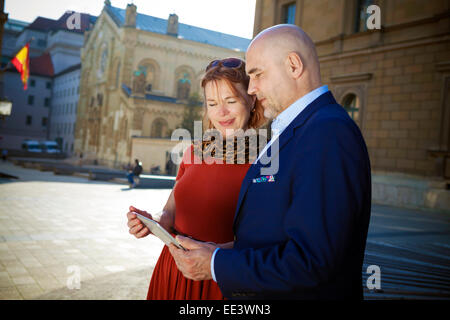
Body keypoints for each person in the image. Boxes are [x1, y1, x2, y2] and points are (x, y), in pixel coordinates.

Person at [168, 24, 372, 300]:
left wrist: (216, 264)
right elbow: (274, 234)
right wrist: (217, 252)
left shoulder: (327, 132)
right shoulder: (297, 129)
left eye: (257, 75)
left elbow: (313, 261)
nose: (251, 88)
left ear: (293, 65)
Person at [126, 58, 266, 299]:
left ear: (252, 99)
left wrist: (213, 257)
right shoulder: (194, 151)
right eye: (212, 103)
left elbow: (268, 242)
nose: (221, 112)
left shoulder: (266, 160)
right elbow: (170, 212)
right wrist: (152, 222)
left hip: (219, 280)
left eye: (230, 101)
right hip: (172, 271)